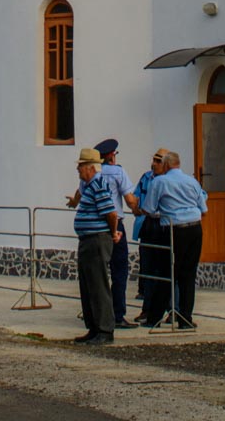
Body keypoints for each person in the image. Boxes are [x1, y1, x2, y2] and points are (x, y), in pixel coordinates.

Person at [140, 149, 208, 328]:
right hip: (195, 228)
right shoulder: (192, 181)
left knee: (167, 274)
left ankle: (154, 318)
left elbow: (149, 208)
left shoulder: (160, 181)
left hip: (173, 229)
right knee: (188, 274)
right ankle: (185, 319)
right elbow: (204, 209)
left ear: (167, 165)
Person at [70, 147, 122, 345]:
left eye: (81, 166)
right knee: (88, 284)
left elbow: (111, 213)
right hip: (88, 239)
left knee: (98, 284)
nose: (78, 170)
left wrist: (112, 232)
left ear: (90, 168)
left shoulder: (98, 184)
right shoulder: (89, 186)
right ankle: (93, 327)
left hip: (96, 239)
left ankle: (104, 329)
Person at [90, 139, 138, 327]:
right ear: (110, 155)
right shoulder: (118, 172)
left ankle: (98, 313)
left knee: (98, 271)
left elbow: (79, 195)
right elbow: (129, 199)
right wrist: (138, 209)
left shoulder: (91, 173)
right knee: (119, 270)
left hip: (95, 225)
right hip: (115, 223)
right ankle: (117, 314)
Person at [132, 148, 172, 326]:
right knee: (148, 269)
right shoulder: (147, 177)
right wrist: (136, 209)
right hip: (148, 223)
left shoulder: (173, 179)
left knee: (167, 270)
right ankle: (147, 309)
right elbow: (135, 196)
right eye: (153, 160)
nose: (154, 164)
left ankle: (173, 310)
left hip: (164, 225)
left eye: (158, 160)